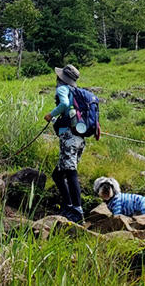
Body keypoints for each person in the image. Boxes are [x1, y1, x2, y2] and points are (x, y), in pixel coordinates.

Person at [43, 64, 85, 223]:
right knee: (58, 174)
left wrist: (51, 114)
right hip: (79, 137)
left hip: (69, 137)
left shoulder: (62, 89)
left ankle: (77, 210)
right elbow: (69, 113)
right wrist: (56, 119)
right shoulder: (77, 92)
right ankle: (68, 205)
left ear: (60, 78)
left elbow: (64, 105)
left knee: (70, 171)